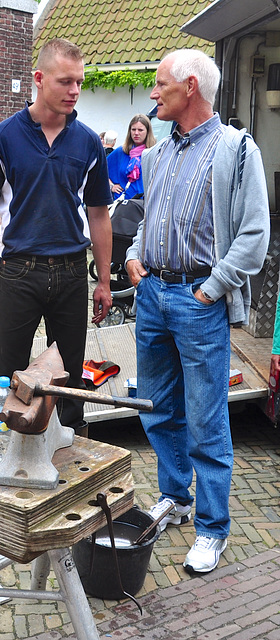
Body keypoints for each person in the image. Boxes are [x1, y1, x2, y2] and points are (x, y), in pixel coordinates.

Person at [126, 49, 270, 574]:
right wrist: (134, 253)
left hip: (197, 300)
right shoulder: (157, 154)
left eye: (160, 84)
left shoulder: (236, 149)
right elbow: (148, 216)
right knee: (160, 407)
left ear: (190, 87)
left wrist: (211, 289)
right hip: (152, 299)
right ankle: (177, 498)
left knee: (207, 421)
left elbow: (255, 234)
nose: (153, 93)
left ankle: (213, 528)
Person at [0, 38, 113, 450]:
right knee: (6, 373)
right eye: (65, 82)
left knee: (71, 377)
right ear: (39, 79)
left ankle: (72, 460)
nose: (74, 91)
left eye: (79, 82)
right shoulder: (2, 139)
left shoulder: (89, 143)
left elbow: (99, 214)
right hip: (17, 272)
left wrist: (104, 280)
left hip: (71, 272)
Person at [107, 115, 155, 200]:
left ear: (147, 132)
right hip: (124, 205)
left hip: (145, 205)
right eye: (133, 129)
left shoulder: (154, 152)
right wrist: (111, 186)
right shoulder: (121, 151)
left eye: (140, 130)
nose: (136, 133)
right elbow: (100, 168)